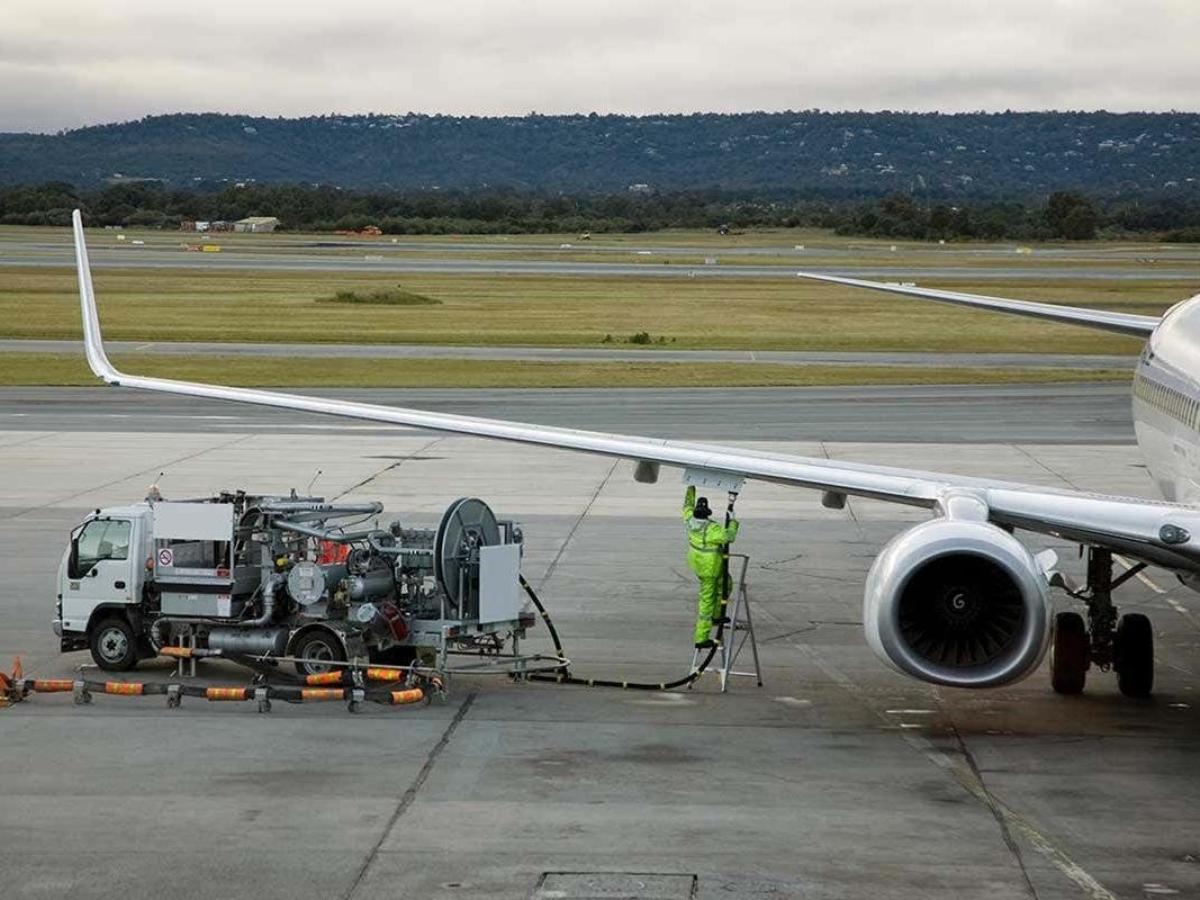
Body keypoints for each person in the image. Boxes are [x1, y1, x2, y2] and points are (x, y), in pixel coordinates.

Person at [683, 485, 739, 648]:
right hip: (711, 568)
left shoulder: (689, 521)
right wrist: (733, 520)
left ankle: (716, 615)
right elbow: (729, 536)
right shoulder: (711, 529)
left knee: (726, 584)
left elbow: (686, 505)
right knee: (707, 599)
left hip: (698, 564)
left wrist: (691, 487)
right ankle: (701, 637)